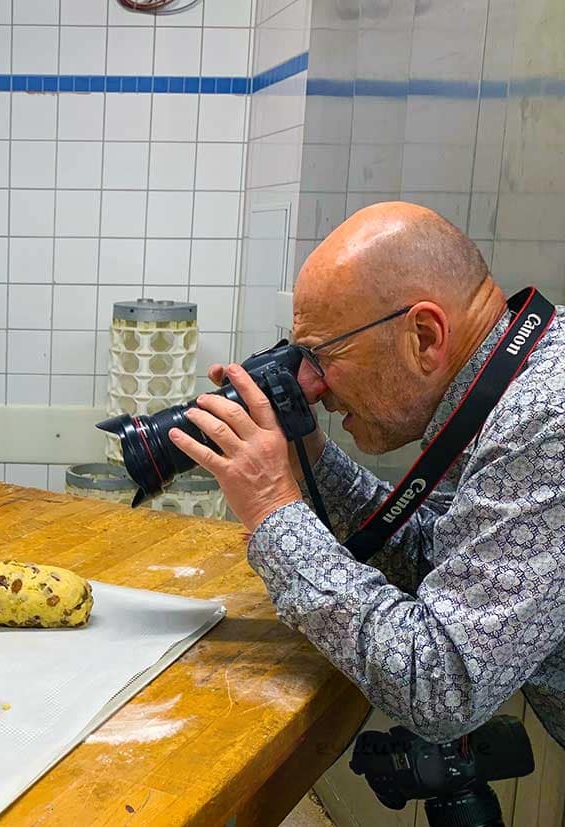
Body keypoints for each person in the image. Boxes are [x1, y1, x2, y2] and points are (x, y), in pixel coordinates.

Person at [169, 201, 565, 746]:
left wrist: (271, 507)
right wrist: (306, 454)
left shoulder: (548, 421)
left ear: (423, 336)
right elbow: (439, 560)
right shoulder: (515, 388)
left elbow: (442, 686)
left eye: (321, 355)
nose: (312, 384)